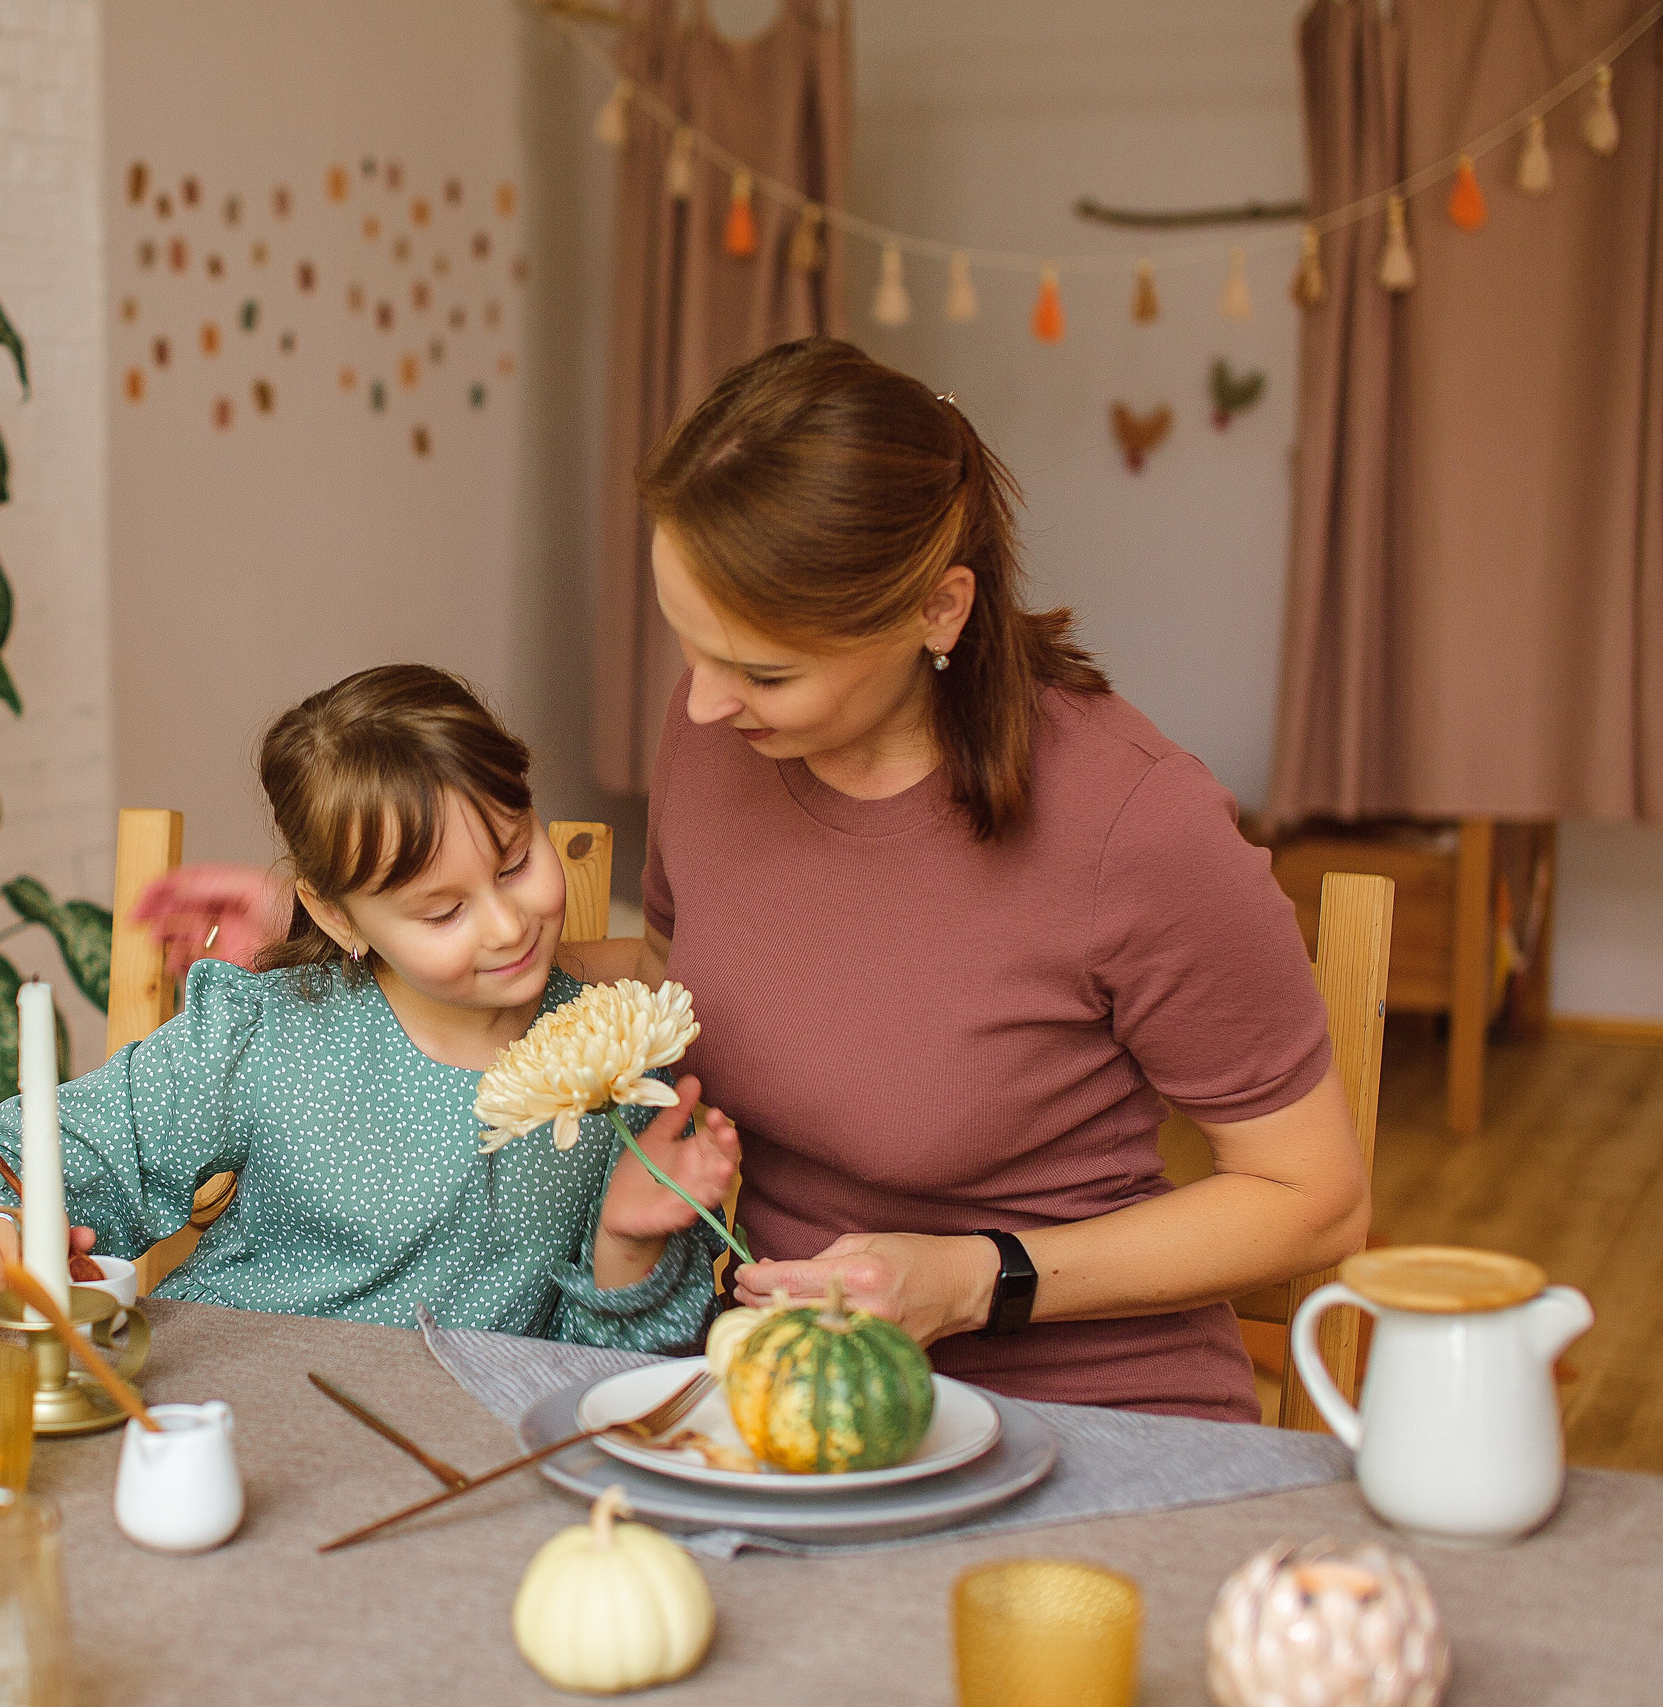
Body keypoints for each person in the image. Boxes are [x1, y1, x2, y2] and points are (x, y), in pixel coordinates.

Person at [141, 340, 1370, 1422]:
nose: (709, 701)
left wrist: (975, 1279)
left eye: (766, 672)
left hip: (1070, 1405)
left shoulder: (1132, 825)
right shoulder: (719, 729)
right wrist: (357, 943)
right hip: (753, 1390)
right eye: (690, 641)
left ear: (937, 612)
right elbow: (696, 983)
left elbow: (1311, 1201)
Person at [0, 664, 739, 1350]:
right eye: (441, 912)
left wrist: (625, 1245)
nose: (506, 926)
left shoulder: (620, 1064)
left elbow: (617, 1381)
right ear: (337, 916)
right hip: (230, 1420)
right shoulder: (263, 1033)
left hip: (454, 1474)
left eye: (516, 860)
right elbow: (33, 1152)